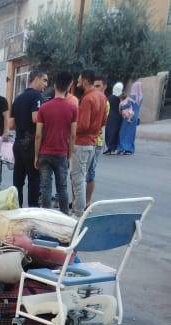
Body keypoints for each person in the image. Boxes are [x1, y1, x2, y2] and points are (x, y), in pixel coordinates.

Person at [35, 70, 77, 214]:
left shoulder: (44, 107)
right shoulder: (73, 108)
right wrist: (69, 156)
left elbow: (38, 135)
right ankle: (64, 216)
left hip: (44, 153)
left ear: (54, 85)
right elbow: (73, 135)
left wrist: (36, 156)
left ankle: (46, 218)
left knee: (45, 188)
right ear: (69, 86)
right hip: (61, 153)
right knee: (62, 188)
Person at [70, 69, 107, 216]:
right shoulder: (102, 97)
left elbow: (83, 125)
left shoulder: (87, 99)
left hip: (81, 143)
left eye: (79, 79)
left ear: (85, 80)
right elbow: (103, 120)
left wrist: (70, 129)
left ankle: (78, 213)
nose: (78, 81)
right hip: (92, 142)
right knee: (82, 177)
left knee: (78, 179)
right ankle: (79, 209)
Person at [10, 68, 48, 206]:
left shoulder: (17, 98)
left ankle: (17, 207)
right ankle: (32, 209)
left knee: (18, 180)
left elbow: (11, 125)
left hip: (18, 143)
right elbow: (35, 118)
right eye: (44, 80)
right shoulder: (37, 97)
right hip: (31, 145)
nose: (46, 84)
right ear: (36, 79)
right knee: (34, 179)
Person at [86, 75, 107, 206]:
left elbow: (102, 122)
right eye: (94, 86)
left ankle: (87, 201)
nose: (96, 88)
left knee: (90, 172)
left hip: (96, 141)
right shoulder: (95, 99)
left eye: (98, 86)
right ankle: (82, 201)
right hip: (91, 140)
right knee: (84, 173)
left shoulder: (104, 101)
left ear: (105, 87)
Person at [117, 80, 142, 155]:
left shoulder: (131, 97)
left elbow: (124, 105)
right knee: (131, 134)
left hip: (127, 117)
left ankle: (122, 148)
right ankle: (129, 149)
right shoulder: (140, 97)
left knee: (123, 132)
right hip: (134, 118)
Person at [104, 81, 124, 154]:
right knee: (115, 131)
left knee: (109, 131)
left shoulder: (110, 97)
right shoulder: (120, 98)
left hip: (110, 115)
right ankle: (113, 148)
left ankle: (109, 147)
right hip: (117, 116)